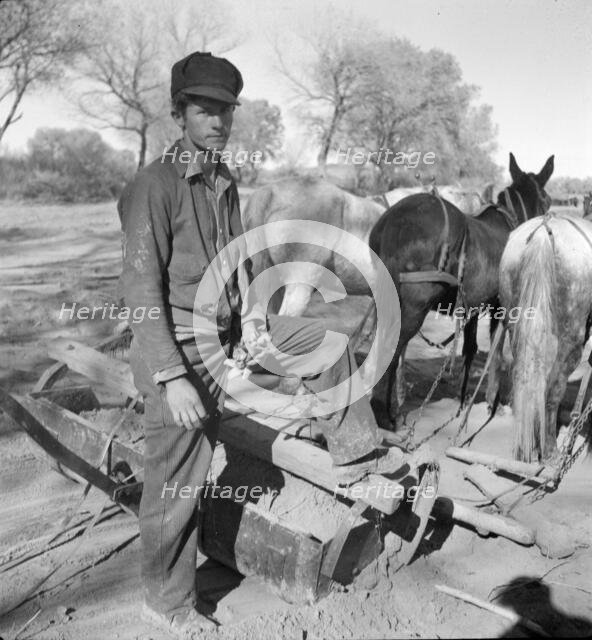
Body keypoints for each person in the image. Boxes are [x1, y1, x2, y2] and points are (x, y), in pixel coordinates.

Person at [118, 51, 383, 636]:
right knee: (179, 485)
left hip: (230, 339)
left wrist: (257, 317)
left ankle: (357, 457)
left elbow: (238, 260)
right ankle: (165, 604)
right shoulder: (154, 186)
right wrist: (171, 376)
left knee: (327, 340)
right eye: (204, 108)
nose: (217, 120)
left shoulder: (222, 180)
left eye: (225, 110)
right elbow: (140, 289)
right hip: (181, 355)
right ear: (178, 112)